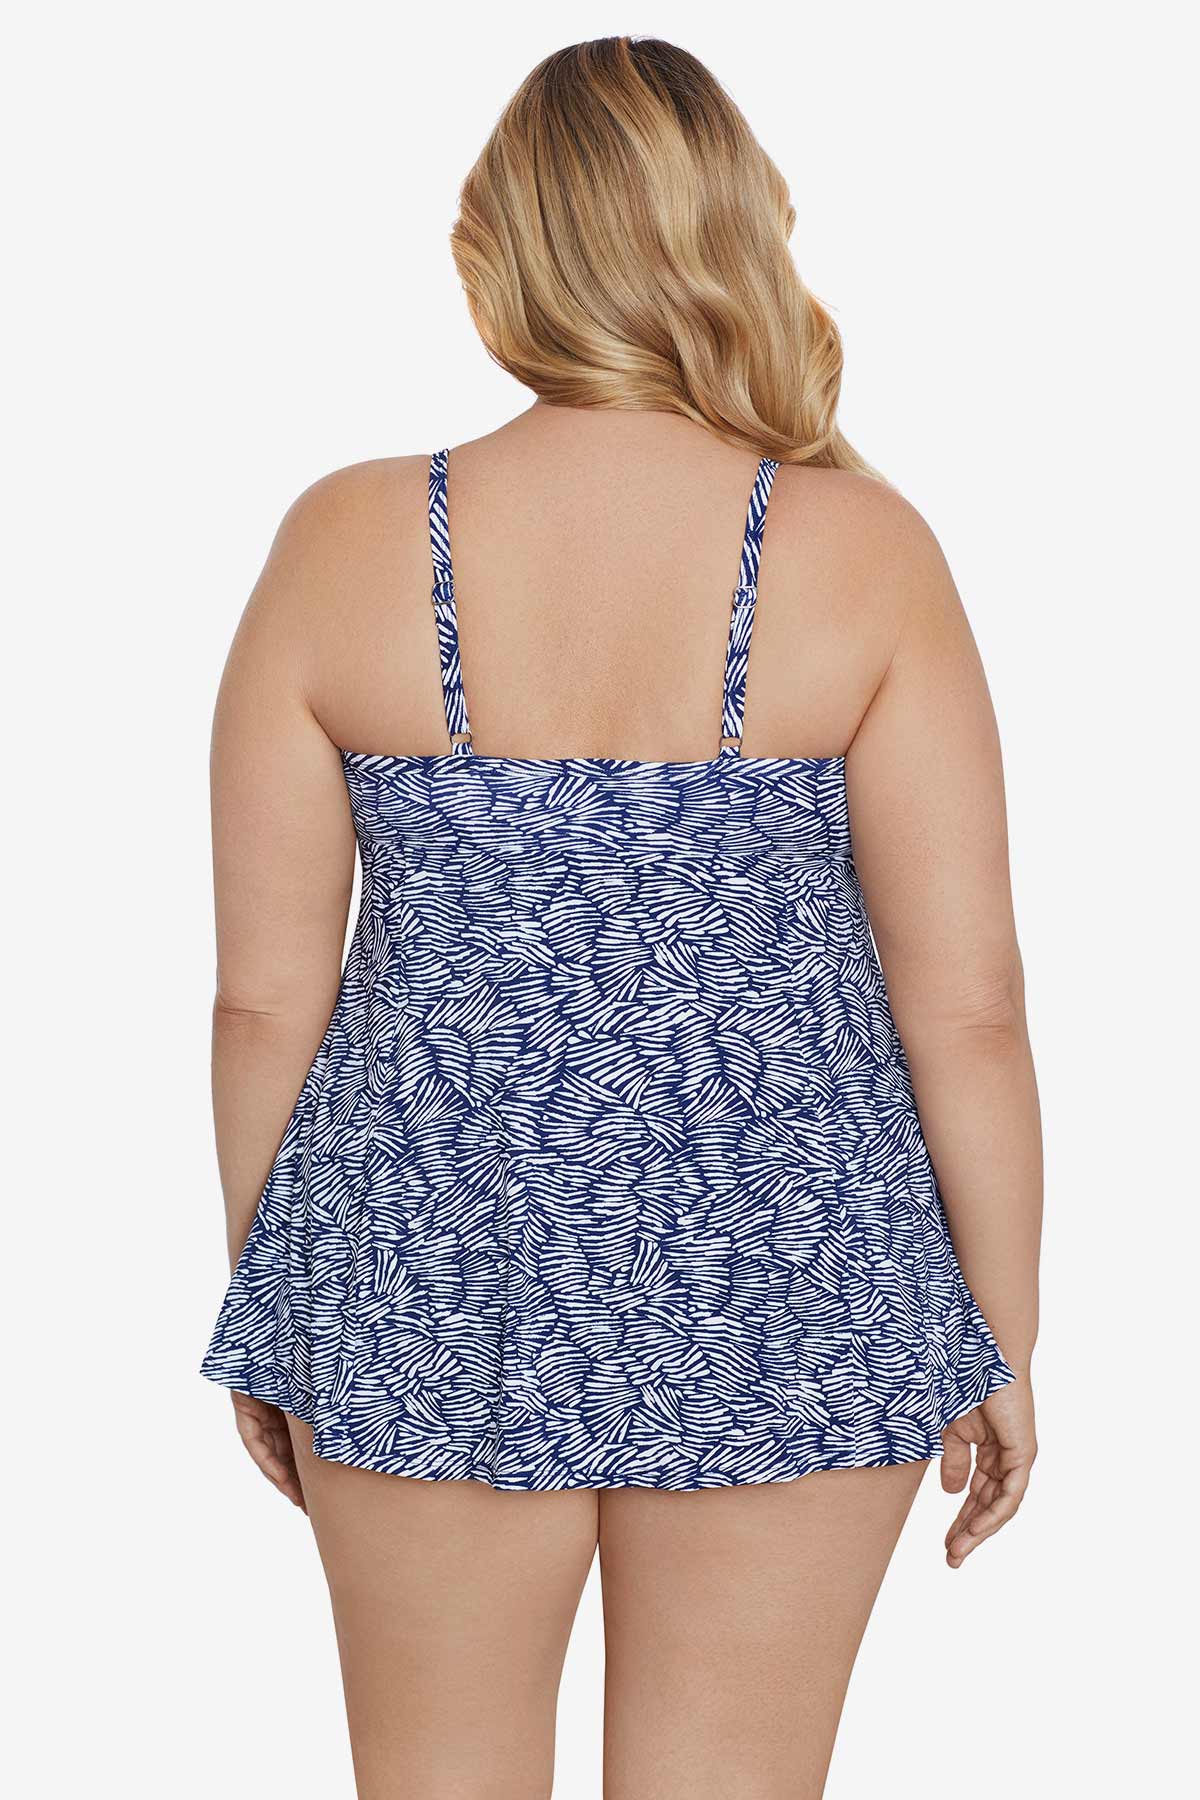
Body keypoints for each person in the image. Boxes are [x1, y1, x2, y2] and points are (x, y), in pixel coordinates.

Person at [201, 35, 1041, 1800]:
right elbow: (965, 1006)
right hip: (799, 1271)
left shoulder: (345, 541)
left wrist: (280, 1296)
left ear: (499, 251)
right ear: (737, 236)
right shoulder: (862, 552)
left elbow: (267, 1001)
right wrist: (1005, 1330)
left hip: (418, 1266)